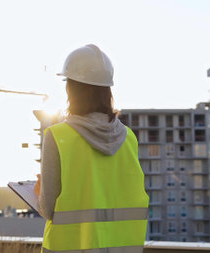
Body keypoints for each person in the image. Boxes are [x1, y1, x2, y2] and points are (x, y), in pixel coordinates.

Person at [34, 44, 149, 253]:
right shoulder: (129, 138)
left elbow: (49, 209)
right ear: (107, 90)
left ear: (70, 88)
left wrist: (39, 192)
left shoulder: (58, 136)